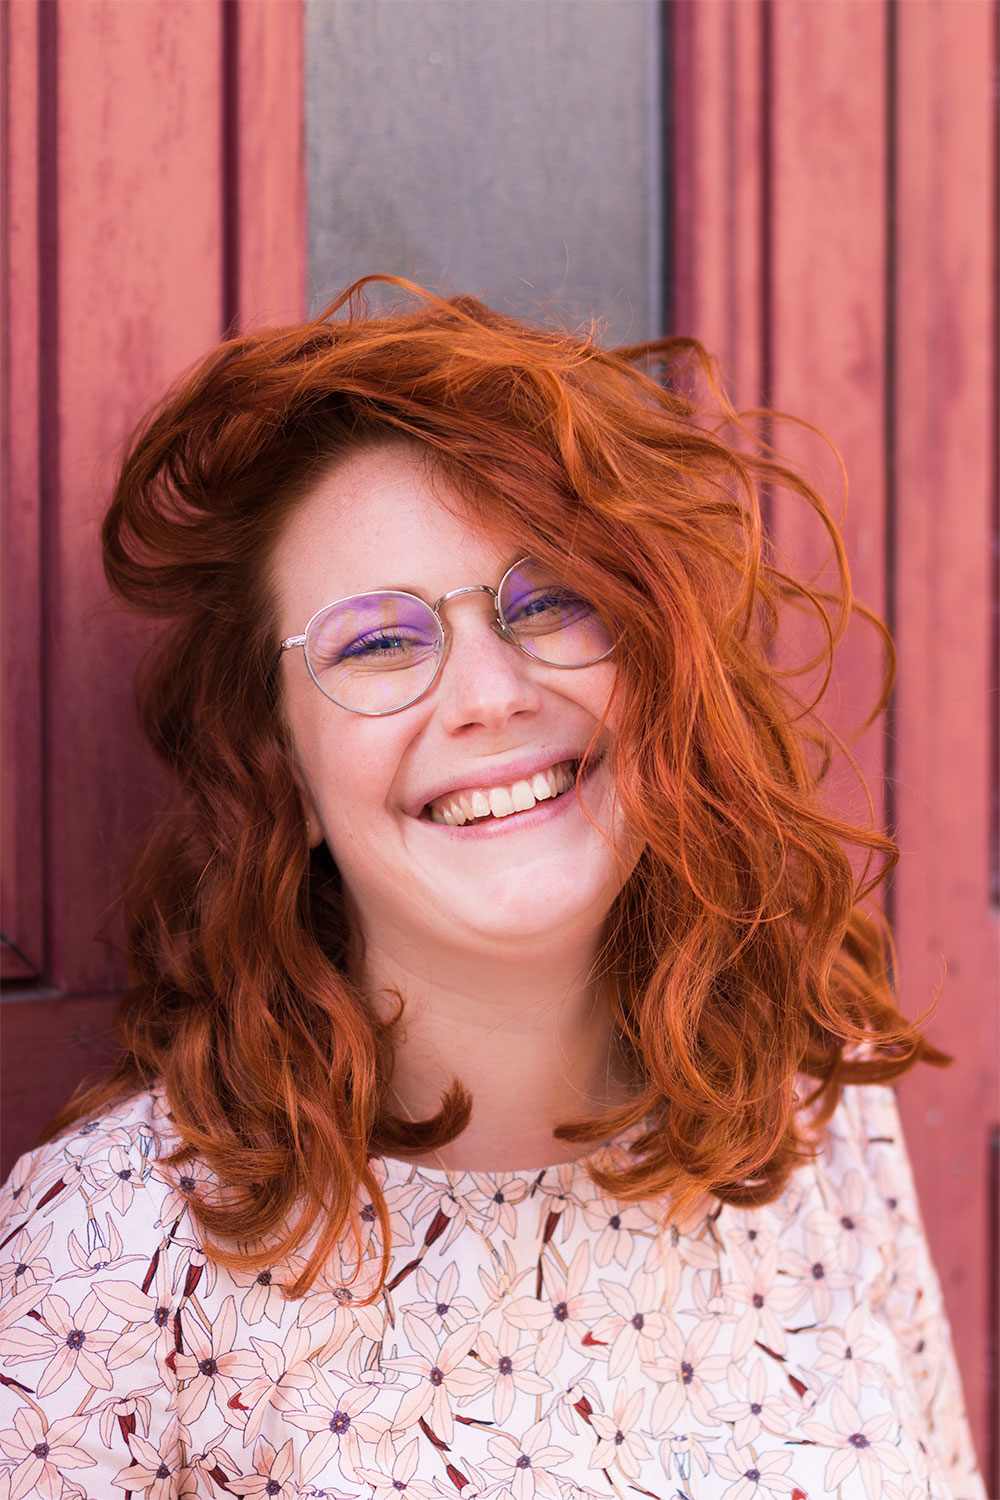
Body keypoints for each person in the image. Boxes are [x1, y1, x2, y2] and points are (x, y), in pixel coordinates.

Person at [0, 278, 985, 1500]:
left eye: (552, 600)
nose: (486, 692)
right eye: (377, 641)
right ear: (284, 772)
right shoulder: (110, 1267)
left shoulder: (810, 1113)